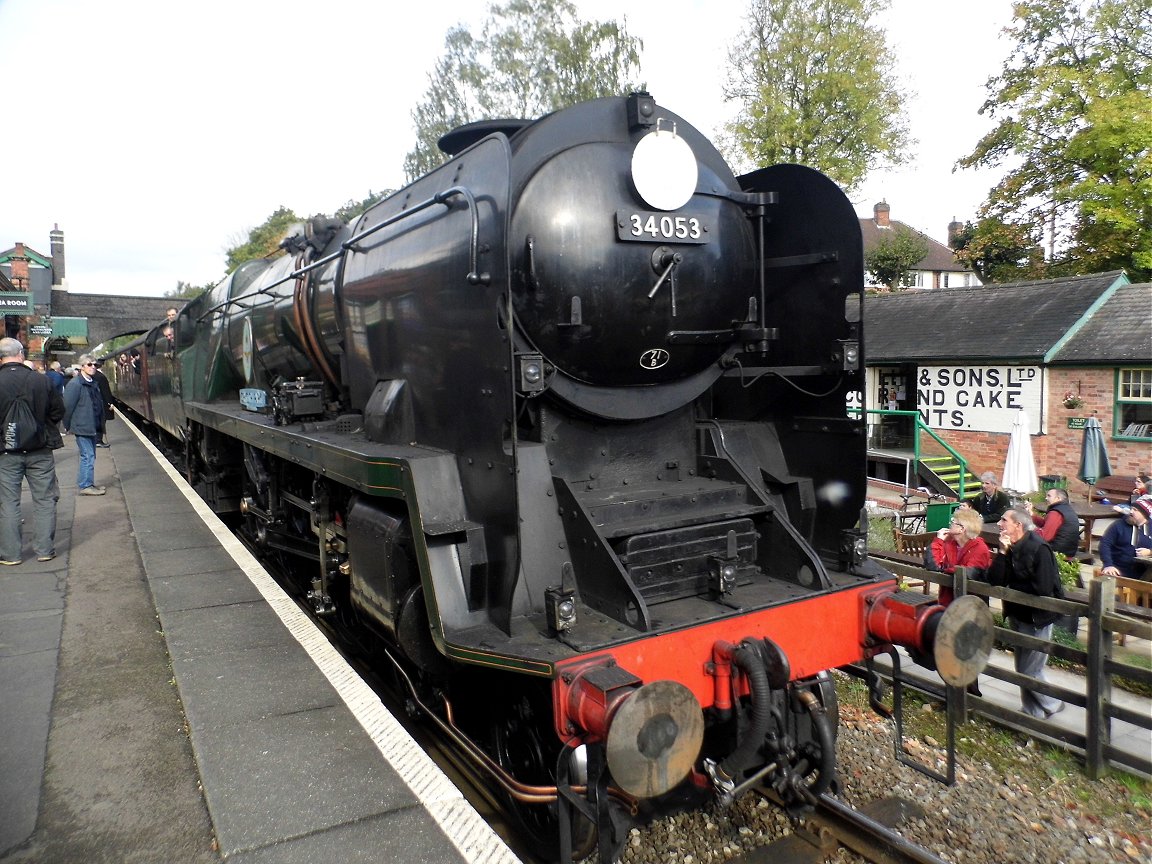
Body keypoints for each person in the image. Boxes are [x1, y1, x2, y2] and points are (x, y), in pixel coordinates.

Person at [987, 507, 1065, 718]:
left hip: (1038, 618)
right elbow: (995, 580)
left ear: (1017, 525)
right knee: (1022, 669)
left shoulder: (1039, 548)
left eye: (1004, 520)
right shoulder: (1010, 547)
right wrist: (1002, 553)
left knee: (1031, 670)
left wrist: (1013, 590)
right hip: (1017, 615)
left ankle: (1053, 702)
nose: (999, 524)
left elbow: (1044, 588)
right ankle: (1032, 712)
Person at [0, 337, 65, 564]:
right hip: (39, 450)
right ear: (20, 354)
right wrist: (41, 426)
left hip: (6, 453)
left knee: (8, 502)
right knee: (45, 499)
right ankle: (45, 550)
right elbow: (58, 410)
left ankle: (11, 555)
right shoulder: (40, 380)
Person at [928, 507, 992, 605]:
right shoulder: (949, 542)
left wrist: (945, 569)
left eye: (953, 521)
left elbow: (968, 574)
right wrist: (938, 541)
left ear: (961, 529)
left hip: (971, 606)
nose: (950, 523)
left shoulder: (980, 549)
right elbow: (932, 565)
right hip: (947, 602)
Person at [62, 356, 106, 496]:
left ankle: (88, 483)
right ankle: (86, 485)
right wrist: (67, 425)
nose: (93, 367)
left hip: (92, 425)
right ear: (82, 367)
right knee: (88, 455)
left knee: (90, 455)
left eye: (95, 364)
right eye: (89, 364)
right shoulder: (75, 384)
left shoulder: (93, 382)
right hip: (82, 425)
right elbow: (67, 406)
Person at [1099, 498, 1152, 580]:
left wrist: (1150, 552)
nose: (1131, 512)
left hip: (1145, 573)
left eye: (1135, 510)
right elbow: (1105, 544)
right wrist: (1108, 565)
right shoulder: (1118, 525)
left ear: (1144, 514)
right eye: (1131, 509)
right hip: (1117, 571)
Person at [1025, 487, 1081, 557]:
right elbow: (1046, 524)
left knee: (1023, 546)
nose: (1046, 498)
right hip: (1068, 551)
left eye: (1049, 496)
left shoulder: (1056, 513)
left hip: (1058, 553)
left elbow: (1044, 536)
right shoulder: (1067, 509)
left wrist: (1027, 531)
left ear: (1058, 498)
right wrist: (1031, 514)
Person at [90, 361, 114, 447]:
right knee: (101, 421)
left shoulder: (91, 376)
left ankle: (96, 440)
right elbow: (106, 391)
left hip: (94, 402)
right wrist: (110, 403)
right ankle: (98, 440)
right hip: (101, 402)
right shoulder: (101, 377)